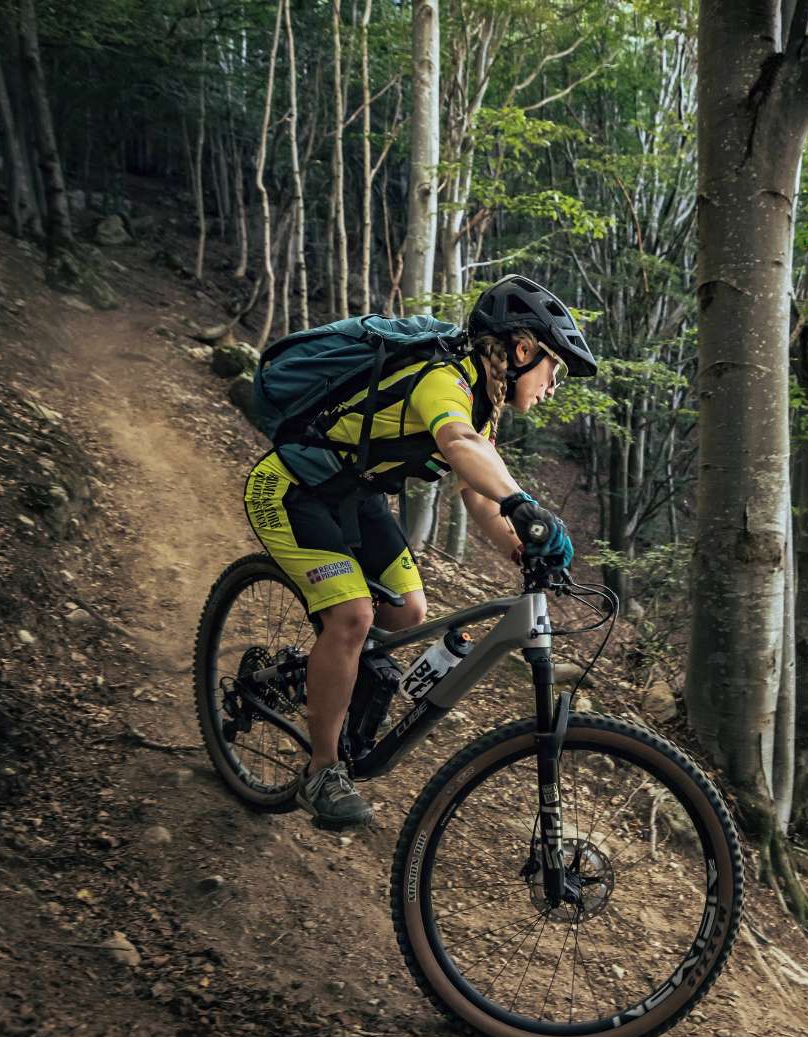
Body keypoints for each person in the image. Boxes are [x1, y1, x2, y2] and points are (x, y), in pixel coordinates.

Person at [241, 274, 596, 828]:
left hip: (353, 496)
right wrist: (525, 504)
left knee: (407, 611)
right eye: (557, 370)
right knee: (353, 616)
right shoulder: (443, 379)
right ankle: (321, 772)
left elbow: (478, 494)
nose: (554, 386)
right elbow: (459, 443)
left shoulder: (482, 401)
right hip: (291, 488)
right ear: (524, 350)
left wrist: (523, 549)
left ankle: (322, 678)